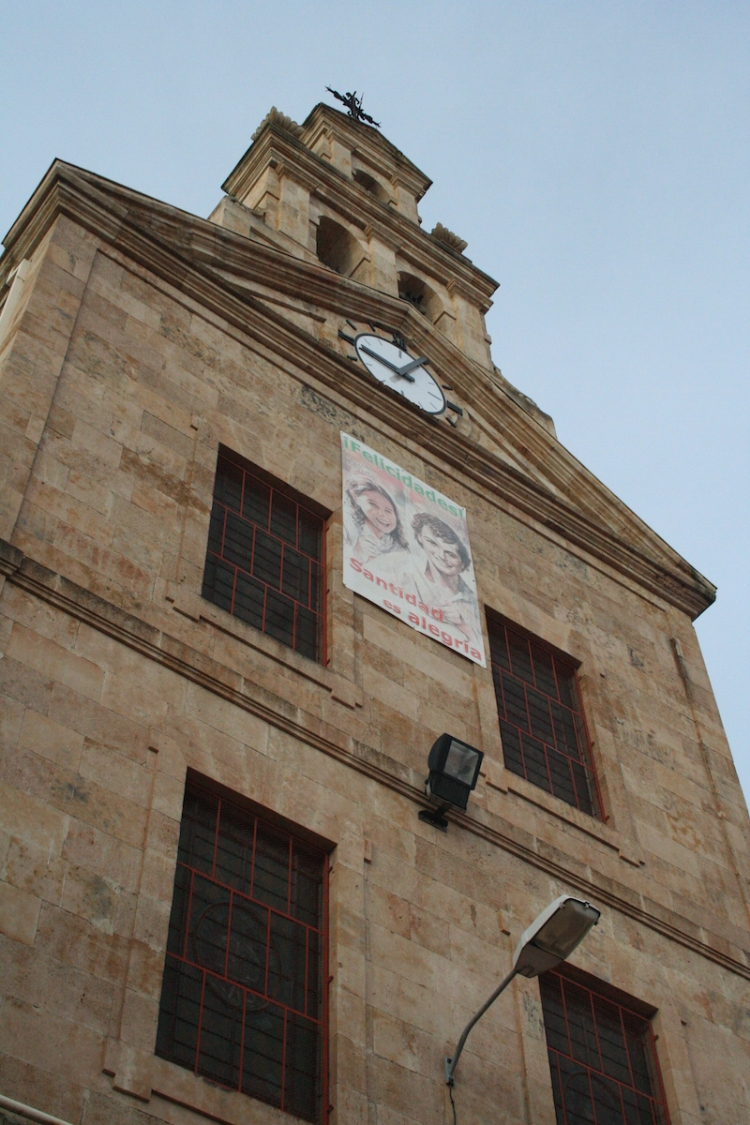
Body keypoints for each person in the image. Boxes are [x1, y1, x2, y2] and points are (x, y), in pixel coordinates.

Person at [406, 513, 481, 648]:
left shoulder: (472, 603)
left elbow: (478, 647)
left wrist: (462, 624)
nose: (441, 556)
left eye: (451, 554)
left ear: (463, 564)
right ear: (420, 538)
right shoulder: (406, 570)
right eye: (432, 543)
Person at [344, 474, 409, 565]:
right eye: (373, 505)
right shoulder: (349, 526)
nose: (382, 514)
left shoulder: (400, 549)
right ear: (358, 502)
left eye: (388, 511)